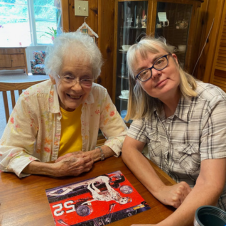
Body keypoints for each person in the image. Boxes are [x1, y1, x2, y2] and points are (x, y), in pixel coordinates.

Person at [121, 36, 226, 226]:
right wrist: (161, 190)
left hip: (207, 215)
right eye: (143, 72)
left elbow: (210, 184)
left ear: (175, 60)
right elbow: (129, 149)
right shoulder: (148, 105)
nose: (154, 74)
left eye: (159, 62)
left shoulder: (214, 102)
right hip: (166, 206)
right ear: (140, 84)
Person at [0, 32, 127, 178]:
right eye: (68, 77)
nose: (77, 87)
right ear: (53, 76)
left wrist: (93, 155)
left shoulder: (99, 95)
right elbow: (7, 154)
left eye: (86, 79)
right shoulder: (30, 99)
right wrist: (52, 169)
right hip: (41, 180)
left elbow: (123, 136)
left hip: (86, 175)